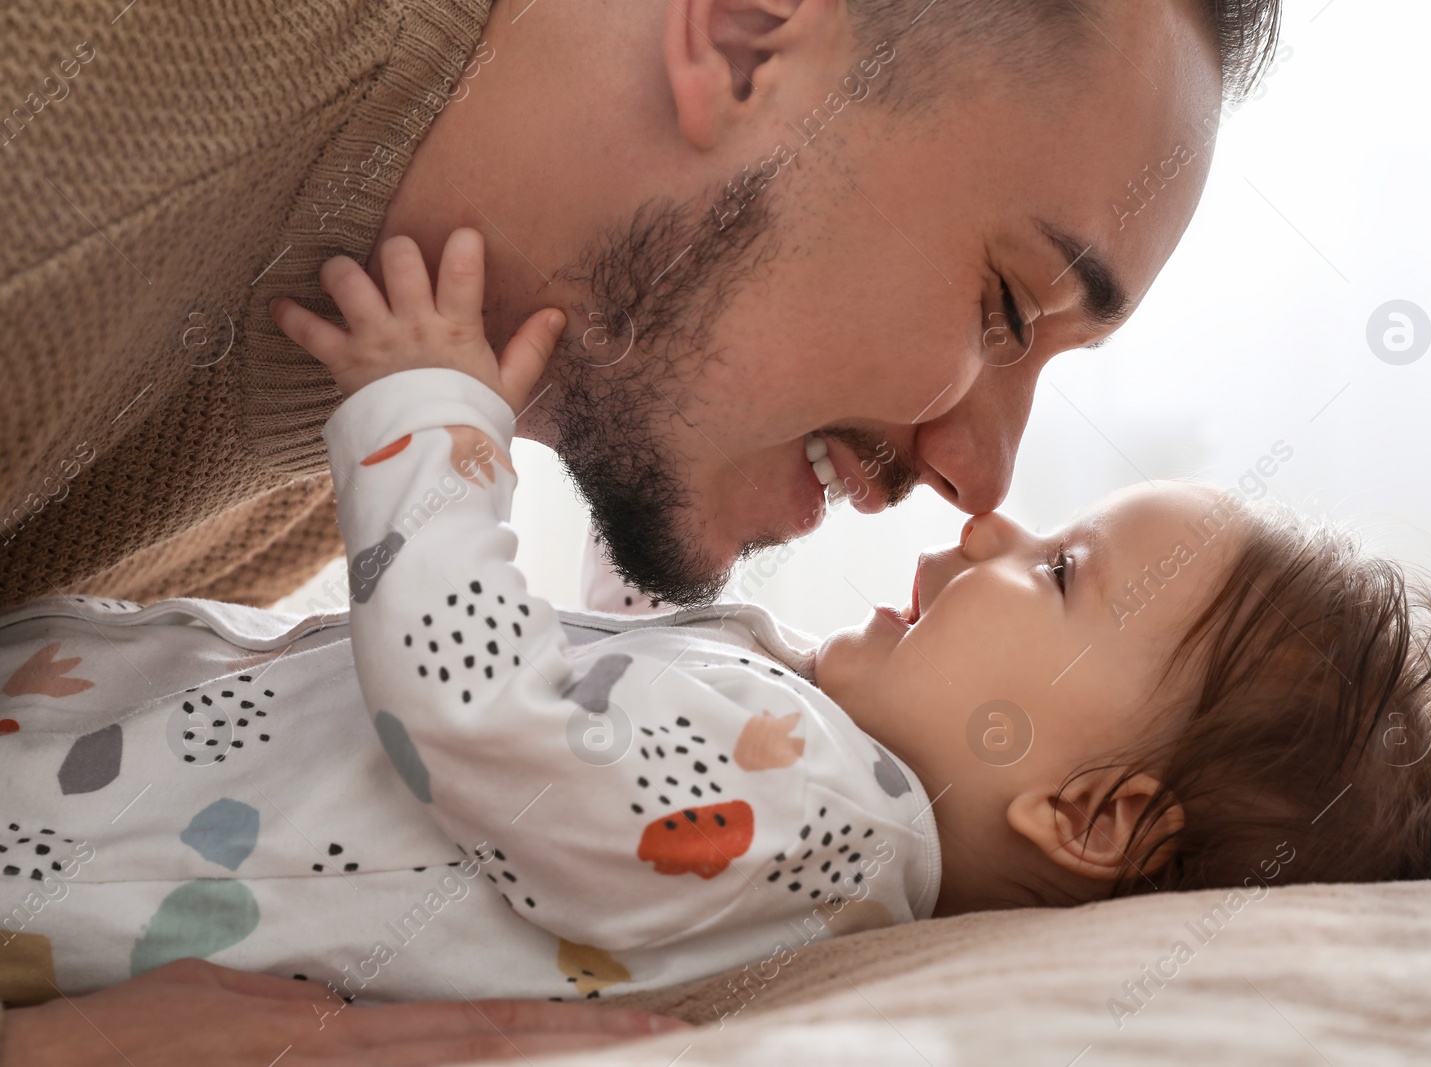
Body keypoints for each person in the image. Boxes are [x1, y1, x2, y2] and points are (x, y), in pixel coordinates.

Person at [0, 0, 1286, 1059]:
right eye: (1006, 304)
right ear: (741, 37)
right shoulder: (71, 175)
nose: (982, 480)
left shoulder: (345, 438)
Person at [1, 230, 1431, 1016]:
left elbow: (478, 700)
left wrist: (426, 414)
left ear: (1091, 811)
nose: (990, 522)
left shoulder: (816, 814)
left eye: (1064, 573)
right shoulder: (805, 774)